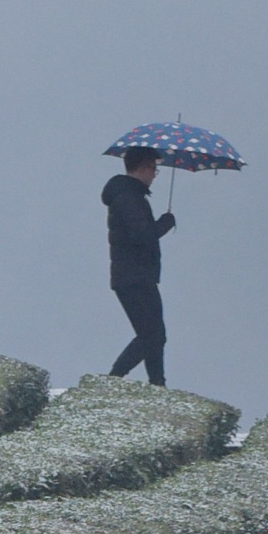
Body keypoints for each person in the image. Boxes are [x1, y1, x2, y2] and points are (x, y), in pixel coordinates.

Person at [104, 146, 175, 385]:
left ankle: (157, 384)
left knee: (155, 335)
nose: (155, 174)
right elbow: (142, 235)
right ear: (143, 168)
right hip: (134, 276)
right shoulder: (128, 196)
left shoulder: (129, 194)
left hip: (135, 275)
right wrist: (165, 223)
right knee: (152, 335)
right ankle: (113, 380)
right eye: (154, 169)